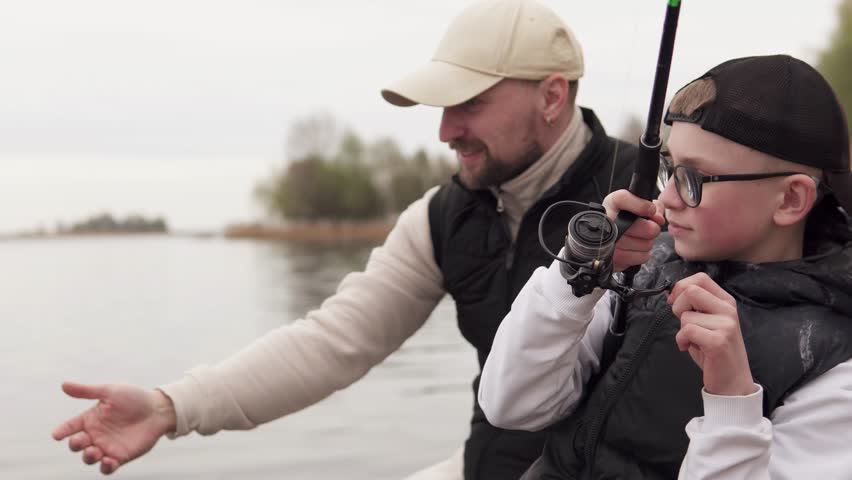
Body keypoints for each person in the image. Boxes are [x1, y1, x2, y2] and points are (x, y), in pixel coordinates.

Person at [51, 0, 638, 478]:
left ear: (552, 96)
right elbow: (333, 342)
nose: (445, 130)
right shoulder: (438, 218)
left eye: (470, 104)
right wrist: (169, 407)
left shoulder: (656, 204)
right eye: (443, 107)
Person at [479, 53, 852, 479]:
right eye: (669, 169)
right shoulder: (642, 268)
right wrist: (579, 274)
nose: (668, 198)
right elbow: (510, 404)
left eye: (694, 179)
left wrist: (732, 399)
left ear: (790, 200)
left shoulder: (837, 362)